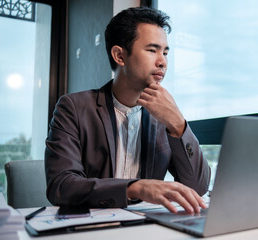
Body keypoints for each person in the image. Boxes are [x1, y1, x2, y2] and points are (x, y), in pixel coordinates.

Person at [45, 7, 210, 214]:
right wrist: (135, 188)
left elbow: (198, 187)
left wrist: (178, 124)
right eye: (152, 50)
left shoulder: (165, 116)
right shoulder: (73, 108)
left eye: (165, 52)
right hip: (92, 227)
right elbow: (61, 186)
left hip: (147, 226)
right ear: (119, 56)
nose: (163, 61)